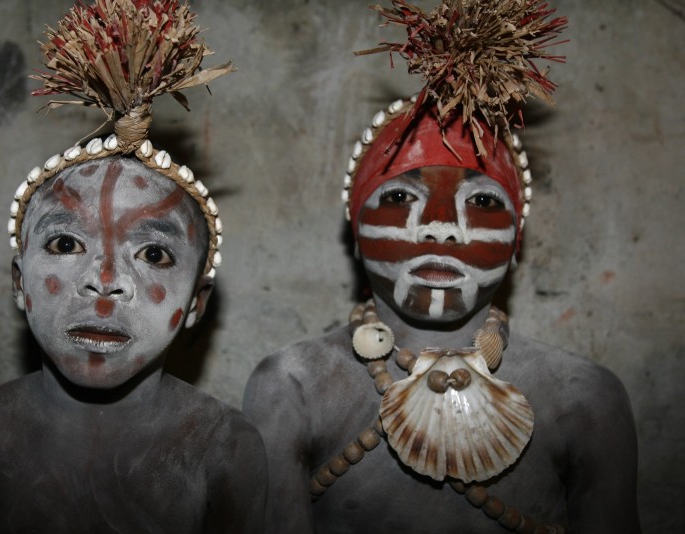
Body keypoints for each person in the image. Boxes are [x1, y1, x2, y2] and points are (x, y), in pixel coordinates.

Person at [243, 1, 640, 532]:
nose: (439, 225)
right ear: (354, 232)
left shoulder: (583, 397)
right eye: (402, 195)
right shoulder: (293, 385)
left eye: (481, 202)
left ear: (517, 240)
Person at [0, 2, 265, 532]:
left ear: (196, 305)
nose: (106, 280)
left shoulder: (227, 449)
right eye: (67, 243)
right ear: (19, 282)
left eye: (154, 254)